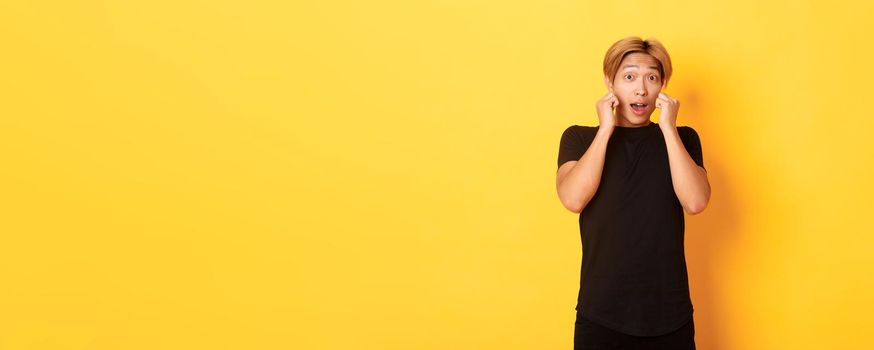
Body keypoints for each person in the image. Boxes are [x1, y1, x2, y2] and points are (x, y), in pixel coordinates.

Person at [555, 36, 711, 349]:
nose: (641, 89)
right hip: (601, 314)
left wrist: (667, 128)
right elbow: (573, 199)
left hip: (671, 315)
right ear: (609, 82)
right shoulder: (579, 138)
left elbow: (695, 202)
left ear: (662, 85)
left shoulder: (682, 138)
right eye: (629, 77)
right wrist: (605, 130)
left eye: (652, 78)